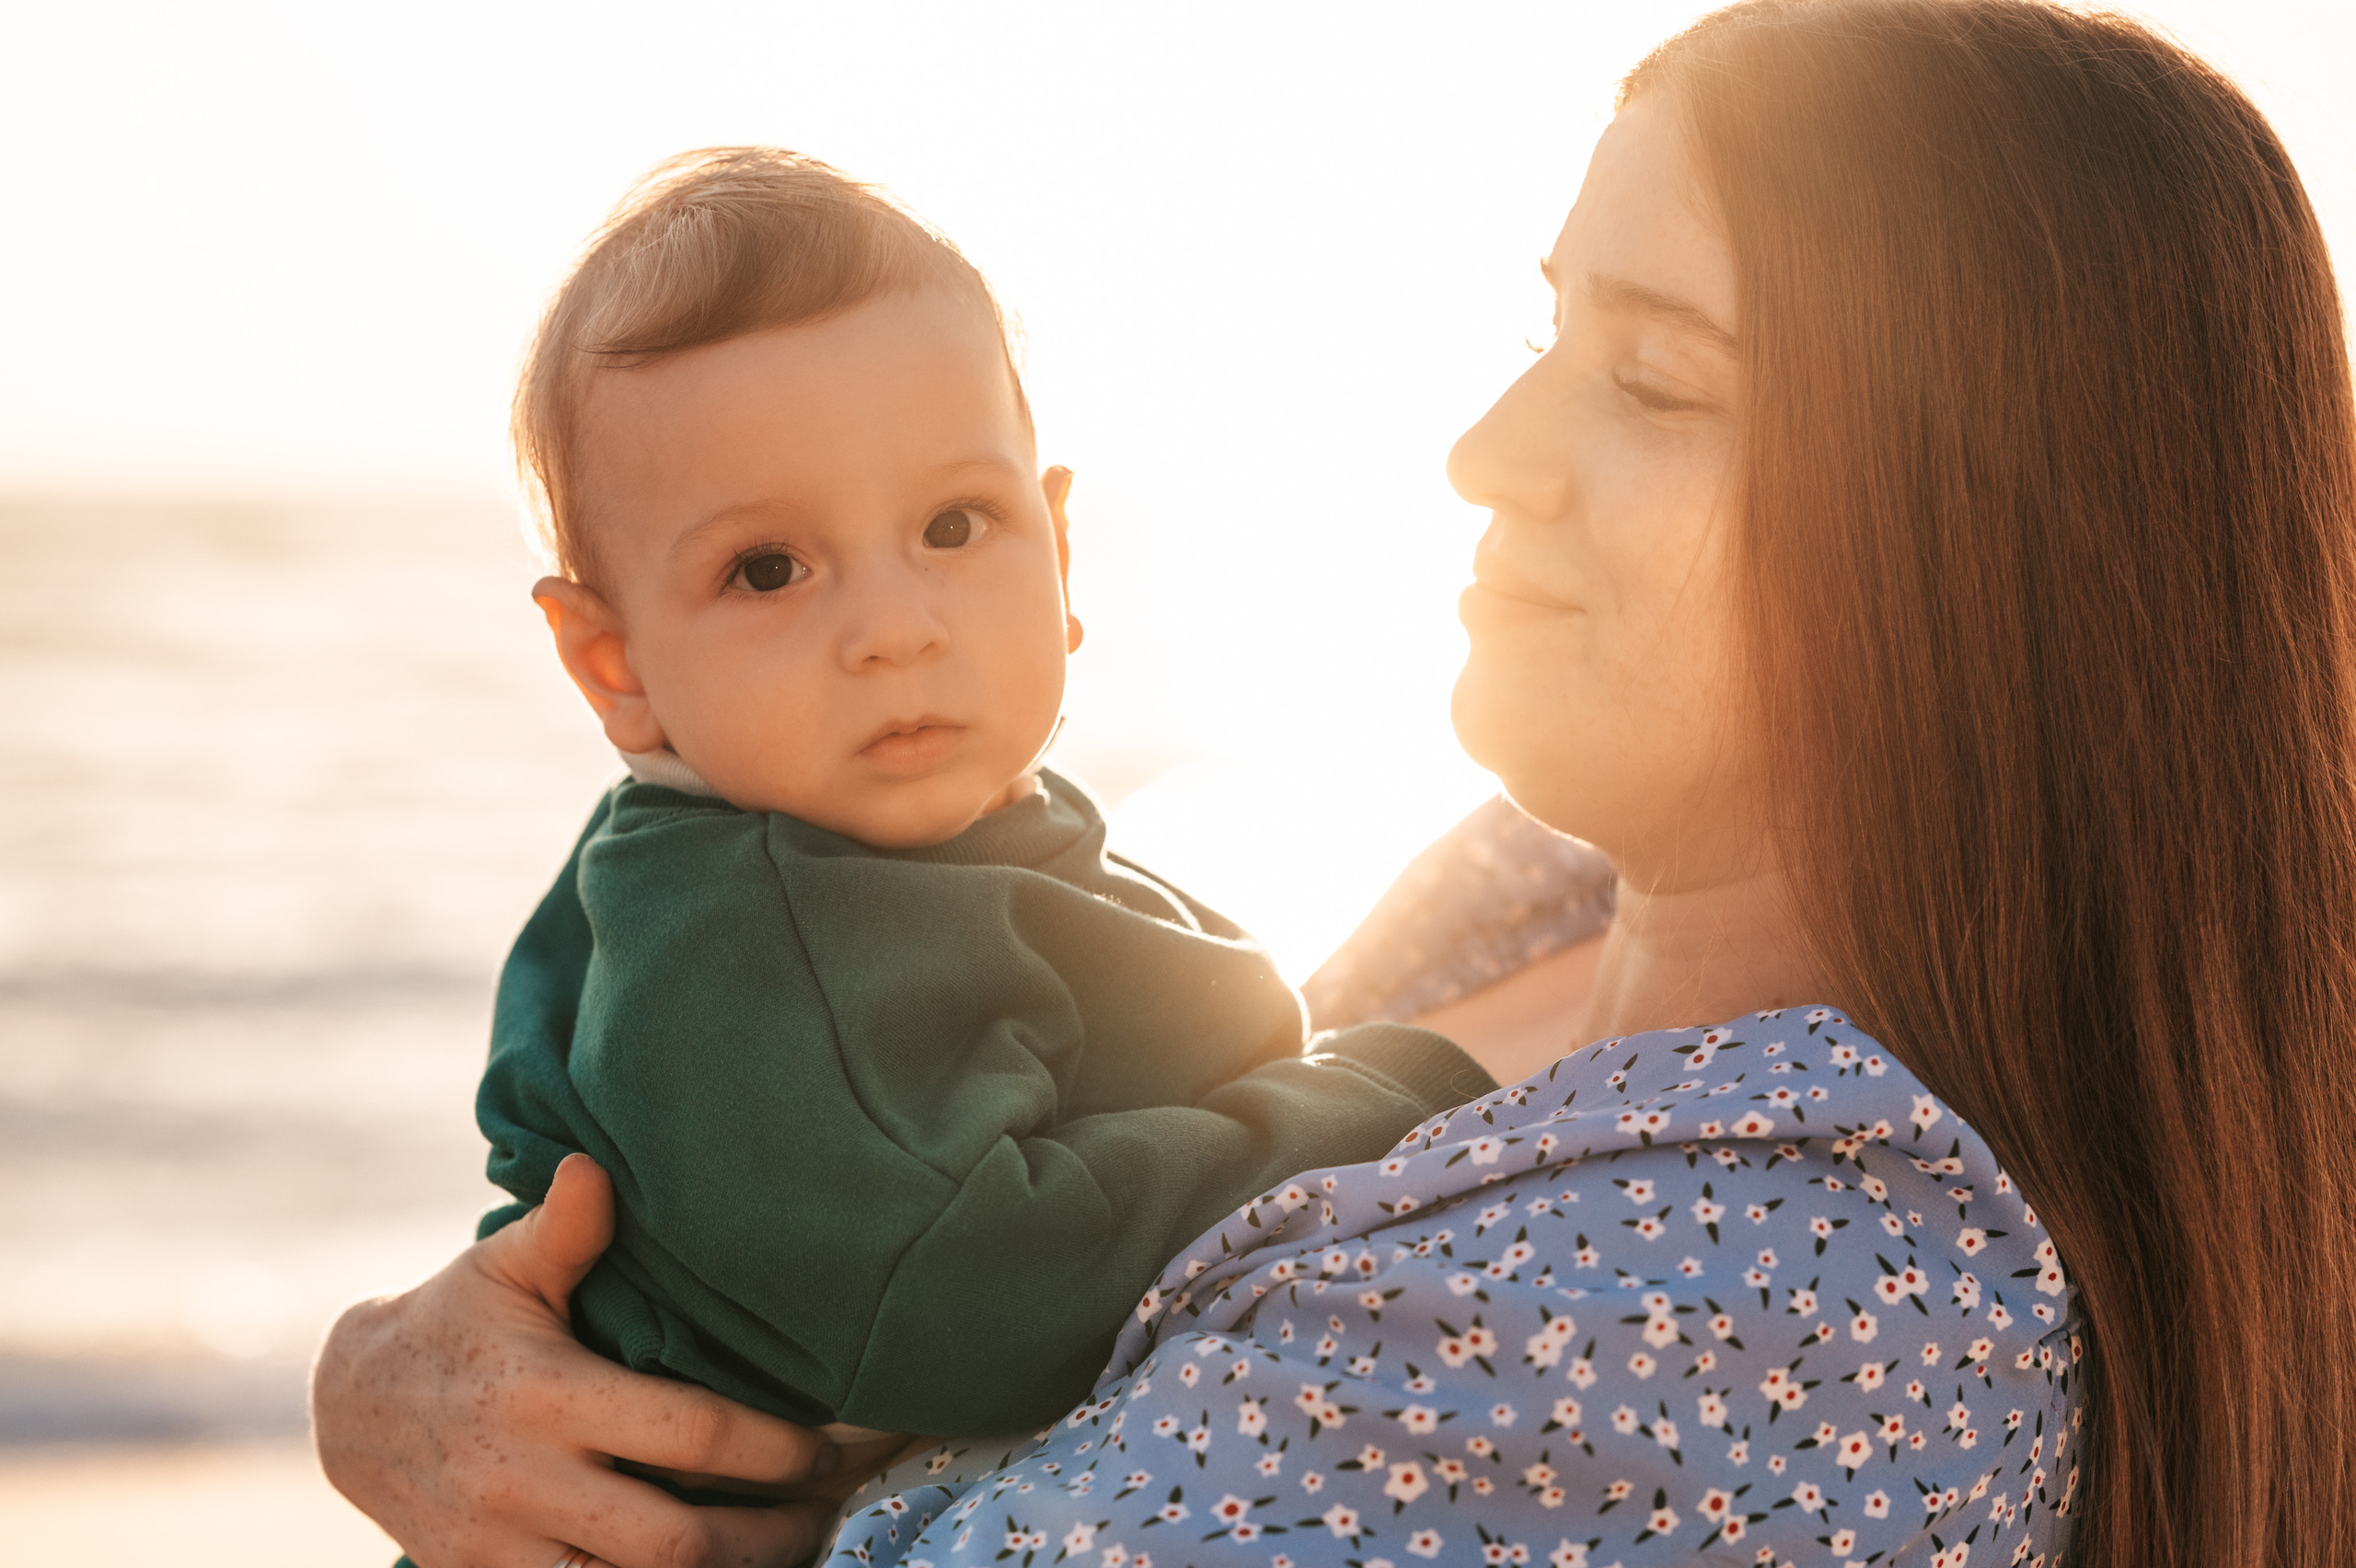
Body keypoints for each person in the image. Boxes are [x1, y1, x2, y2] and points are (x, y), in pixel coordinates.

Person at [310, 2, 2356, 1565]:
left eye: (1650, 380)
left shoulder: (1784, 1285)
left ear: (1986, 528)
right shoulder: (1539, 887)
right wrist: (396, 1394)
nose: (1486, 447)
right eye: (1546, 331)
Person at [477, 146, 1491, 1462]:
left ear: (1058, 550)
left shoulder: (943, 833)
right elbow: (965, 1298)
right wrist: (1384, 1102)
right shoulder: (739, 941)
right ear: (614, 667)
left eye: (956, 527)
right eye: (770, 569)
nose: (895, 628)